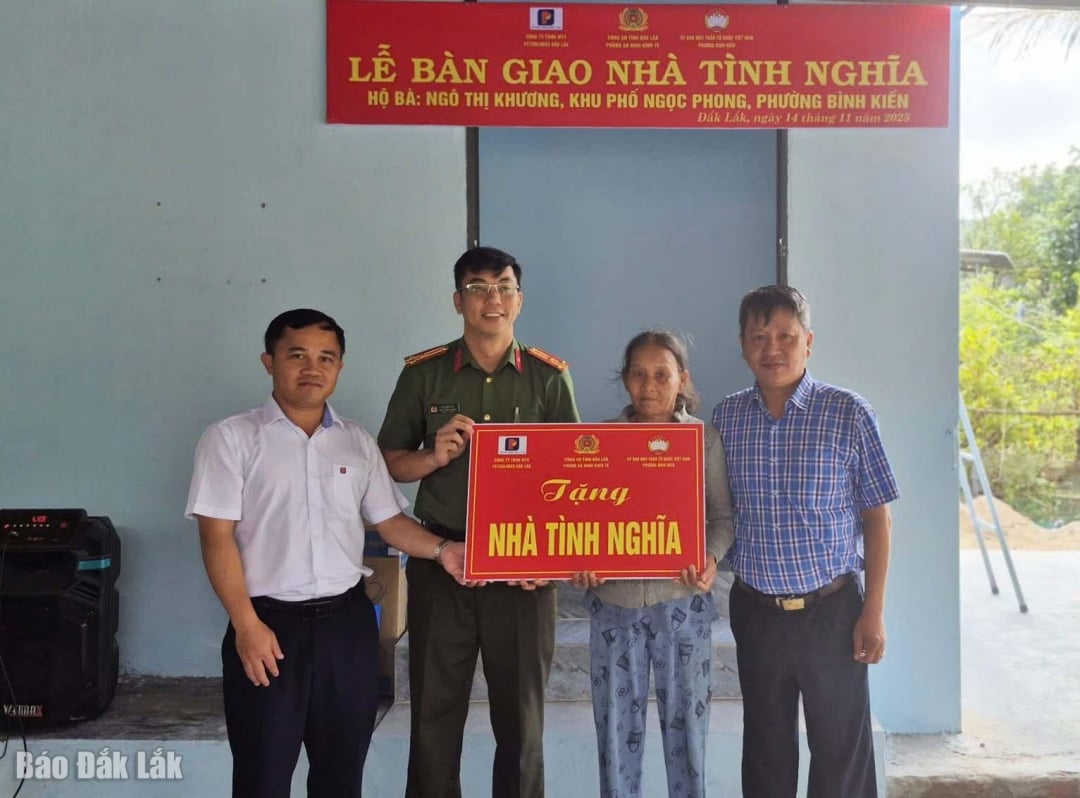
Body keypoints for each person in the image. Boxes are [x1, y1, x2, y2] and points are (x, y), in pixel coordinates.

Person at [185, 308, 469, 798]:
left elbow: (391, 522)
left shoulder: (356, 442)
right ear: (268, 361)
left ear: (339, 368)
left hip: (347, 627)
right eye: (297, 355)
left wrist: (446, 550)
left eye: (326, 358)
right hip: (269, 630)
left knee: (341, 776)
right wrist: (247, 626)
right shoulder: (231, 439)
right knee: (262, 777)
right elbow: (216, 540)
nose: (312, 368)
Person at [377, 246, 581, 798]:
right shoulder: (424, 375)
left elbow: (578, 477)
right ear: (457, 299)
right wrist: (432, 456)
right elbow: (389, 461)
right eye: (478, 287)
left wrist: (553, 561)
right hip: (443, 562)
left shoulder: (548, 377)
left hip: (524, 574)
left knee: (521, 723)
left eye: (504, 287)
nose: (492, 299)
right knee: (434, 717)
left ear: (519, 299)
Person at [712, 285, 899, 797]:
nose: (773, 348)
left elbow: (877, 518)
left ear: (808, 342)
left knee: (841, 753)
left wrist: (873, 613)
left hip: (833, 611)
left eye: (786, 336)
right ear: (743, 345)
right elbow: (714, 511)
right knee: (766, 753)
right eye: (759, 336)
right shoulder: (726, 418)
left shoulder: (848, 412)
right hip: (756, 611)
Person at [571, 330, 735, 798]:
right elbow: (577, 522)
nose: (649, 385)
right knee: (616, 740)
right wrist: (579, 561)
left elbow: (723, 519)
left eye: (661, 375)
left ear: (682, 379)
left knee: (688, 742)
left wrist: (709, 557)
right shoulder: (597, 441)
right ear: (624, 380)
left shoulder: (701, 440)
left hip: (682, 610)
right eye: (638, 374)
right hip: (613, 611)